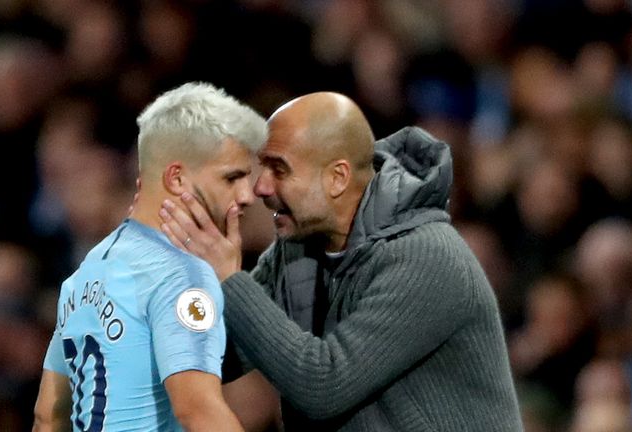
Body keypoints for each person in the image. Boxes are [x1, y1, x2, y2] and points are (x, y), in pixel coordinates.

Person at [160, 92, 524, 430]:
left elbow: (323, 386)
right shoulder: (299, 248)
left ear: (338, 178)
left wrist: (227, 277)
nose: (261, 188)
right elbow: (217, 353)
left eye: (280, 169)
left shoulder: (426, 257)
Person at [32, 82, 271, 432]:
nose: (247, 195)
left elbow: (47, 415)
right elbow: (199, 410)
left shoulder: (85, 276)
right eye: (229, 177)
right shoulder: (182, 275)